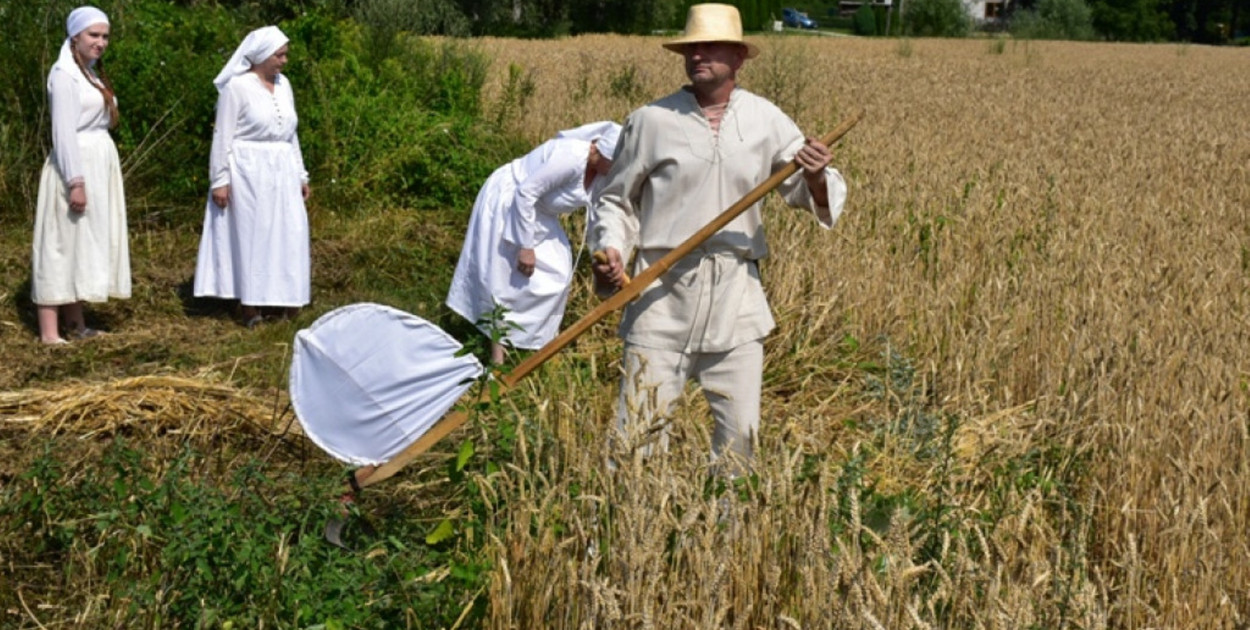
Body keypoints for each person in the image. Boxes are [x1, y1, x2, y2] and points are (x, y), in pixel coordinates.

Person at [590, 3, 848, 466]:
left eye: (710, 47)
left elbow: (807, 190)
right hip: (660, 293)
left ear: (739, 56)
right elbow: (616, 199)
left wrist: (813, 176)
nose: (698, 56)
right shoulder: (650, 120)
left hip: (736, 295)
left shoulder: (767, 119)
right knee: (636, 437)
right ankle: (622, 532)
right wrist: (611, 247)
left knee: (739, 440)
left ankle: (728, 535)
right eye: (691, 48)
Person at [446, 121, 621, 364]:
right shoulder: (571, 157)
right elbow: (526, 192)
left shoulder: (601, 174)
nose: (617, 170)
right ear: (599, 152)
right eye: (614, 163)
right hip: (509, 202)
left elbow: (600, 214)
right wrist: (525, 246)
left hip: (539, 213)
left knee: (556, 274)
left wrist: (600, 254)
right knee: (505, 277)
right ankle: (498, 357)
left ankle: (535, 343)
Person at [194, 26, 311, 328]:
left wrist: (301, 174)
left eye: (285, 54)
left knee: (288, 233)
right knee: (253, 236)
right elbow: (223, 136)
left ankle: (286, 300)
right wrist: (219, 179)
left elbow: (291, 133)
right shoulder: (238, 87)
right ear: (260, 56)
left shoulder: (284, 85)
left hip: (282, 168)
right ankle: (250, 306)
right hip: (248, 170)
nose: (284, 61)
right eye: (279, 55)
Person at [31, 6, 129, 345]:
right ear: (75, 37)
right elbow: (64, 134)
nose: (101, 42)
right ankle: (49, 332)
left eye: (105, 36)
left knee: (80, 244)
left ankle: (76, 323)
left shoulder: (89, 73)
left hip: (96, 164)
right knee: (59, 245)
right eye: (93, 35)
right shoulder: (64, 75)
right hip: (75, 166)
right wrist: (76, 181)